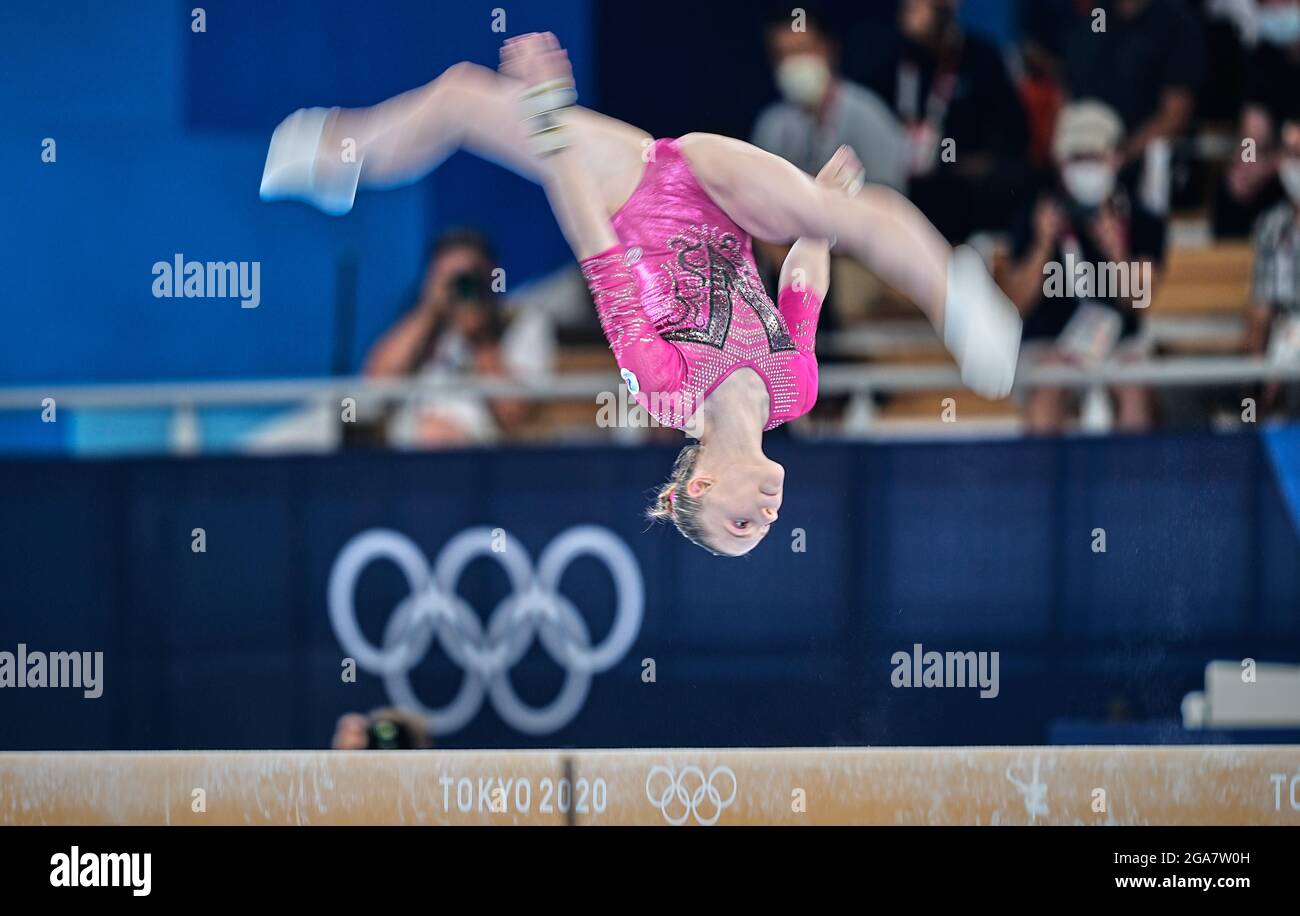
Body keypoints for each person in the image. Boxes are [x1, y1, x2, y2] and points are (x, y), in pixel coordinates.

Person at [259, 32, 1022, 555]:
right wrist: (814, 211)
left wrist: (549, 125)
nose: (764, 519)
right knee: (836, 215)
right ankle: (954, 294)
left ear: (703, 481)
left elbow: (599, 255)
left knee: (463, 95)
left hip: (633, 191)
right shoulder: (795, 389)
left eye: (738, 525)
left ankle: (339, 154)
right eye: (759, 531)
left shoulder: (665, 392)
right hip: (724, 198)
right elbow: (799, 284)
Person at [1000, 102, 1166, 434]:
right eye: (1078, 159)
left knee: (1135, 387)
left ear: (1116, 158)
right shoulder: (1034, 216)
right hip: (1048, 344)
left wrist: (1116, 251)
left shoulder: (1142, 219)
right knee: (1049, 386)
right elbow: (1015, 303)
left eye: (1096, 157)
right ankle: (1046, 484)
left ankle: (1130, 484)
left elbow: (1140, 300)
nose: (1087, 168)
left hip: (1118, 343)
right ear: (1061, 163)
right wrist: (1043, 245)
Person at [848, 0, 1030, 242]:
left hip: (967, 206)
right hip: (897, 203)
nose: (911, 5)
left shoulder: (982, 59)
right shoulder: (885, 58)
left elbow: (1015, 138)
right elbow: (859, 116)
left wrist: (969, 164)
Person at [363, 228, 539, 446]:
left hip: (480, 450)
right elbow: (375, 386)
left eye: (468, 277)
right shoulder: (421, 323)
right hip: (409, 447)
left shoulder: (520, 322)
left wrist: (480, 337)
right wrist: (428, 311)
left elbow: (512, 411)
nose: (460, 287)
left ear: (490, 276)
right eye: (449, 278)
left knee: (436, 436)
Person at [1216, 0, 1300, 237]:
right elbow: (1253, 131)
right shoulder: (1263, 55)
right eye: (1267, 7)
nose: (1275, 13)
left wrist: (1269, 165)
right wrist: (1247, 160)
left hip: (1284, 161)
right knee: (1233, 187)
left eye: (1282, 6)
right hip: (1280, 164)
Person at [1243, 119, 1300, 415]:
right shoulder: (1270, 226)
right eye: (1294, 154)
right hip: (1284, 342)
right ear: (1280, 161)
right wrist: (1261, 373)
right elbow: (1261, 308)